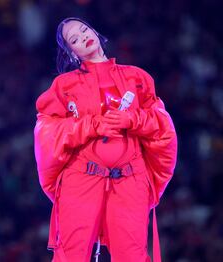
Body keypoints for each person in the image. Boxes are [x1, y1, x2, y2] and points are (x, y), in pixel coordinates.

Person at [34, 17, 177, 262]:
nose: (83, 37)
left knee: (131, 254)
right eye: (74, 40)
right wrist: (92, 125)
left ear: (95, 31)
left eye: (83, 30)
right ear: (72, 53)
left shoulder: (137, 78)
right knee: (72, 253)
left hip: (130, 177)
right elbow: (48, 132)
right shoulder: (63, 86)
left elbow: (161, 123)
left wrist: (133, 120)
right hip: (81, 178)